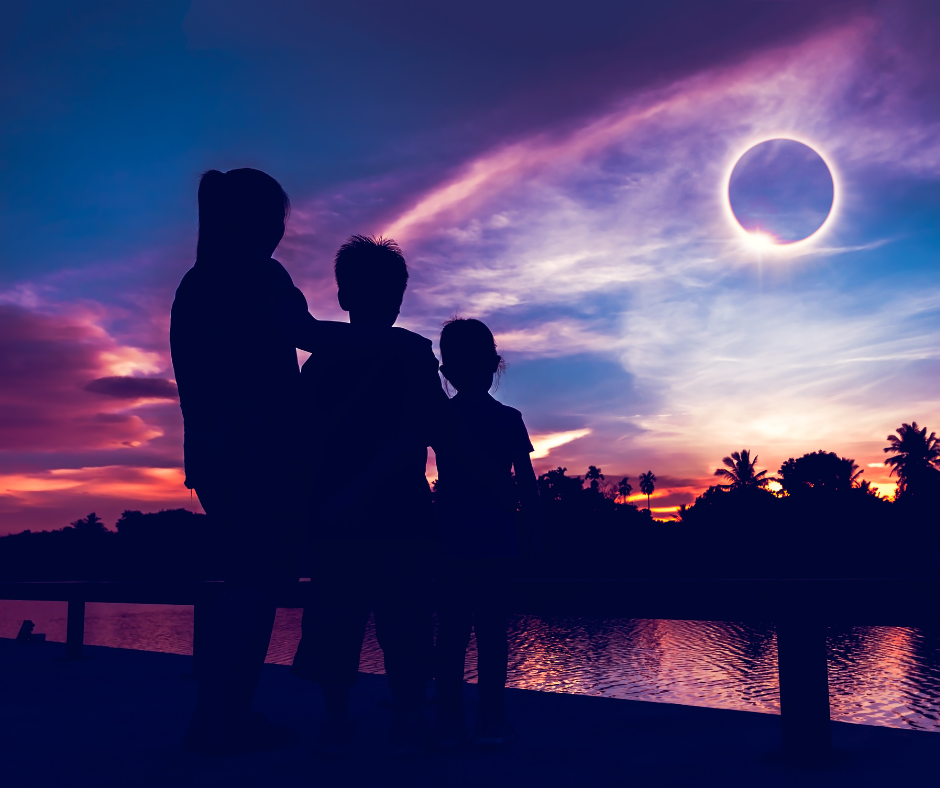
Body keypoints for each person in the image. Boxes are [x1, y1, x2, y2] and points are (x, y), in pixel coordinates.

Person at [171, 167, 334, 754]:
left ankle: (217, 716)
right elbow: (307, 334)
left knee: (244, 582)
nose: (281, 230)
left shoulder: (195, 283)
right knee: (254, 587)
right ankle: (221, 722)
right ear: (256, 220)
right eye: (277, 219)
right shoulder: (260, 276)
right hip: (263, 458)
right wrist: (383, 342)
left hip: (213, 460)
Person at [290, 235, 448, 756]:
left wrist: (336, 497)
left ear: (343, 297)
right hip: (398, 508)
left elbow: (303, 439)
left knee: (337, 618)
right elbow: (417, 435)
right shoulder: (414, 352)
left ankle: (338, 721)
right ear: (398, 298)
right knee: (404, 619)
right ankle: (406, 718)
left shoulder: (318, 364)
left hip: (335, 509)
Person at [432, 317, 540, 748]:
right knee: (493, 635)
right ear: (494, 364)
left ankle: (449, 723)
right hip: (497, 539)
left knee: (452, 635)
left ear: (447, 370)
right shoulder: (509, 419)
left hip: (451, 539)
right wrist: (534, 539)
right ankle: (491, 720)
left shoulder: (441, 419)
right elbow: (528, 485)